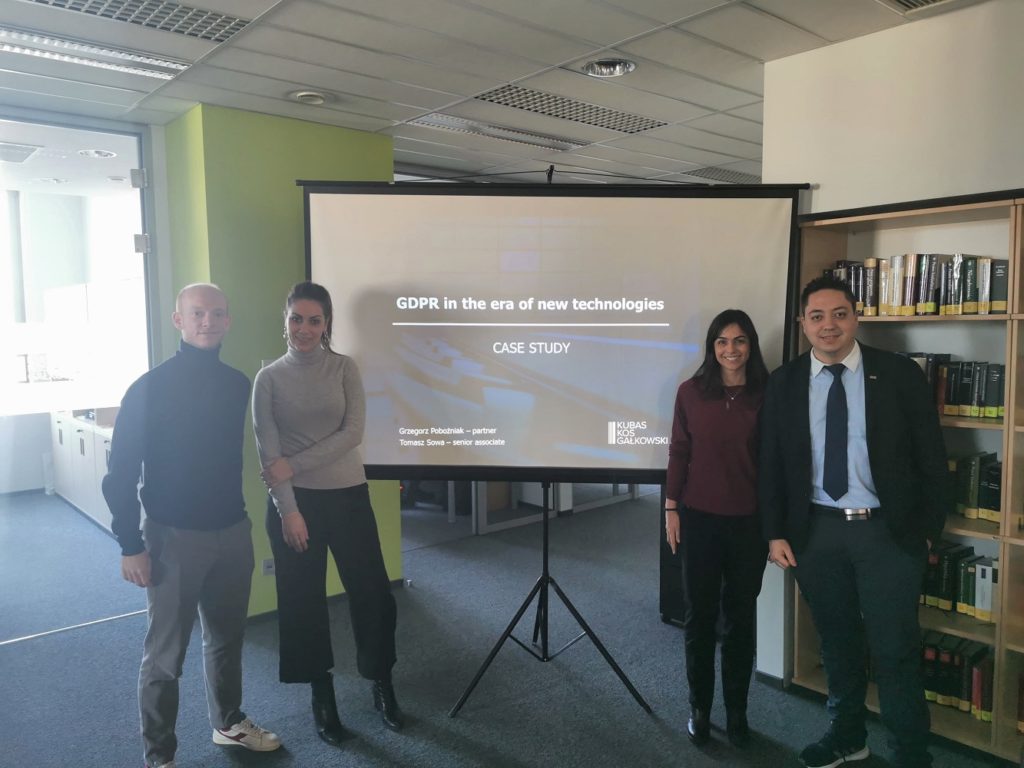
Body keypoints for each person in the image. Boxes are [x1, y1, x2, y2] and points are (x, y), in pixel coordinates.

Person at [759, 275, 948, 768]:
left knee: (895, 650)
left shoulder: (899, 373)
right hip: (816, 533)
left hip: (887, 534)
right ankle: (847, 736)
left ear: (856, 317)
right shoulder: (784, 382)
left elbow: (931, 456)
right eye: (817, 316)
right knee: (837, 645)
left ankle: (911, 754)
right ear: (802, 324)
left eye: (839, 314)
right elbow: (771, 464)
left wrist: (927, 531)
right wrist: (775, 532)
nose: (829, 325)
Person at [103, 283, 281, 768]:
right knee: (166, 656)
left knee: (227, 638)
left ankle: (228, 722)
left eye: (218, 313)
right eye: (198, 313)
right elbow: (120, 474)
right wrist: (130, 544)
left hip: (233, 532)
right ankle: (160, 755)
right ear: (178, 320)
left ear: (228, 321)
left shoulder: (237, 384)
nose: (208, 321)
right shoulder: (148, 388)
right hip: (172, 539)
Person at [252, 280, 401, 747]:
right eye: (296, 318)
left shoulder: (343, 368)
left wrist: (293, 464)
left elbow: (352, 433)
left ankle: (382, 681)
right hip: (296, 505)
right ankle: (322, 693)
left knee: (373, 594)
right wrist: (289, 510)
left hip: (349, 496)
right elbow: (268, 453)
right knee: (303, 602)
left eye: (314, 320)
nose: (304, 328)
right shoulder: (268, 378)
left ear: (327, 324)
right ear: (285, 321)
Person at [665, 309, 769, 748]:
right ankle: (700, 709)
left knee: (740, 620)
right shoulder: (690, 393)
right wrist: (671, 507)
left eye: (740, 340)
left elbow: (777, 462)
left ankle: (738, 712)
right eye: (722, 341)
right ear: (712, 347)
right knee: (700, 617)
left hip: (750, 523)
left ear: (751, 346)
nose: (731, 349)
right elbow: (679, 451)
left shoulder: (768, 393)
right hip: (700, 520)